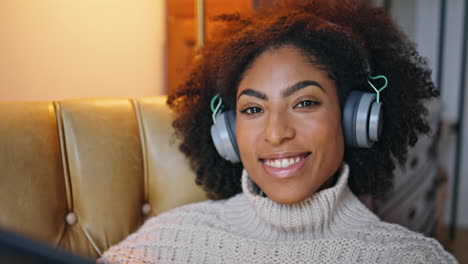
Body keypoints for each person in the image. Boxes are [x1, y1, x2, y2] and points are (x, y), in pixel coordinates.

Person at [99, 0, 457, 263]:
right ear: (226, 132)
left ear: (354, 119)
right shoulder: (169, 239)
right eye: (253, 109)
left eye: (304, 103)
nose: (276, 133)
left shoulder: (408, 257)